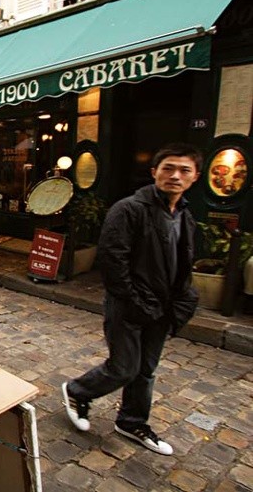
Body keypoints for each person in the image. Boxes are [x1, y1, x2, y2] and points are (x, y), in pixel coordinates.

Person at [61, 143, 202, 456]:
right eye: (168, 168)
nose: (175, 176)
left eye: (184, 171)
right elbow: (113, 261)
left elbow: (183, 264)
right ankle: (77, 391)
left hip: (163, 310)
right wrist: (137, 302)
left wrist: (182, 304)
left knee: (145, 371)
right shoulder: (128, 209)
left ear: (195, 178)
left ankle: (131, 421)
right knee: (124, 367)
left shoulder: (185, 216)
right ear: (154, 172)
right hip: (130, 305)